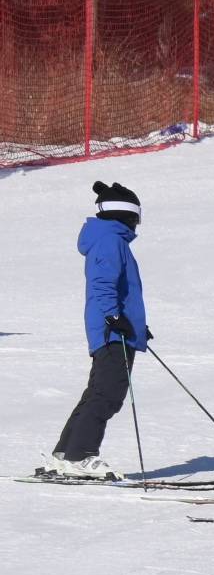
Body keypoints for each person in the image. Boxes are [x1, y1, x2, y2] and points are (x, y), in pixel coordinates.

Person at [37, 183, 152, 481]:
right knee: (108, 394)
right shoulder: (110, 240)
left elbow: (121, 291)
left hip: (115, 329)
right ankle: (81, 454)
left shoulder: (107, 238)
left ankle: (64, 454)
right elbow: (103, 284)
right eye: (136, 217)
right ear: (126, 216)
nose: (136, 223)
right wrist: (115, 317)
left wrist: (136, 324)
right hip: (111, 331)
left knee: (97, 393)